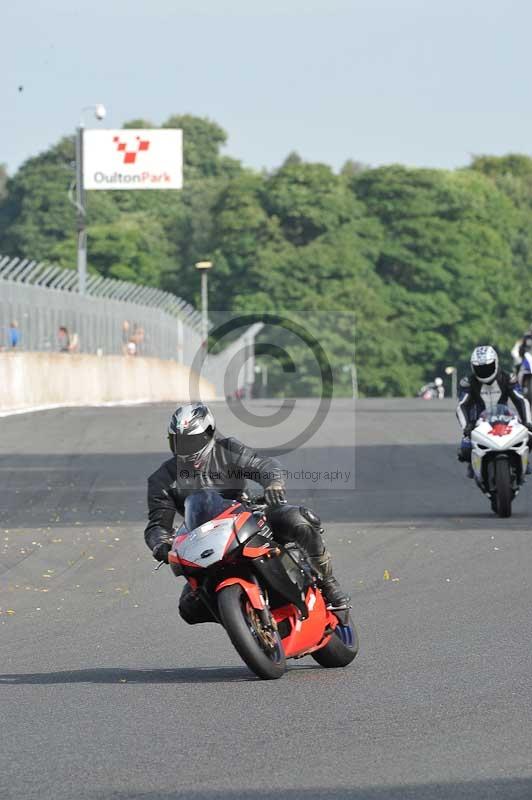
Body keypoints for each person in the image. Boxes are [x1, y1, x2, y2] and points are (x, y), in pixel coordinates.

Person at [144, 402, 349, 624]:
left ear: (209, 433)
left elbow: (263, 465)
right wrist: (160, 544)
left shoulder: (228, 450)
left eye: (192, 440)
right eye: (179, 442)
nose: (186, 448)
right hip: (203, 540)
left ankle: (328, 583)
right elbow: (157, 525)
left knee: (297, 520)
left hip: (246, 518)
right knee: (189, 608)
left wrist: (273, 483)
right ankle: (243, 621)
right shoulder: (161, 479)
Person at [456, 345, 532, 477]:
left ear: (496, 363)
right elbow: (461, 406)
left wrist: (528, 423)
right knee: (465, 450)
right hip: (477, 422)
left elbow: (521, 400)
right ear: (473, 367)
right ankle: (474, 463)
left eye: (487, 367)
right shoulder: (467, 382)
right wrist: (466, 427)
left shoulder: (508, 377)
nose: (484, 371)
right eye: (480, 368)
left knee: (530, 436)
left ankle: (523, 460)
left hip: (505, 417)